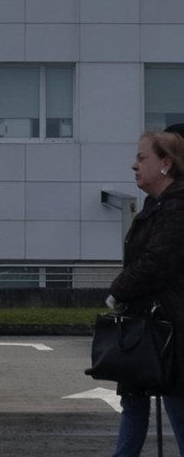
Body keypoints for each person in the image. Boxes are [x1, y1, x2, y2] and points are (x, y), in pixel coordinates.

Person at [107, 130, 184, 456]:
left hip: (172, 329)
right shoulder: (157, 206)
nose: (134, 166)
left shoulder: (177, 208)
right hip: (147, 326)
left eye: (142, 158)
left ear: (166, 163)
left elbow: (156, 263)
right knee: (135, 402)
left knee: (177, 405)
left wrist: (117, 291)